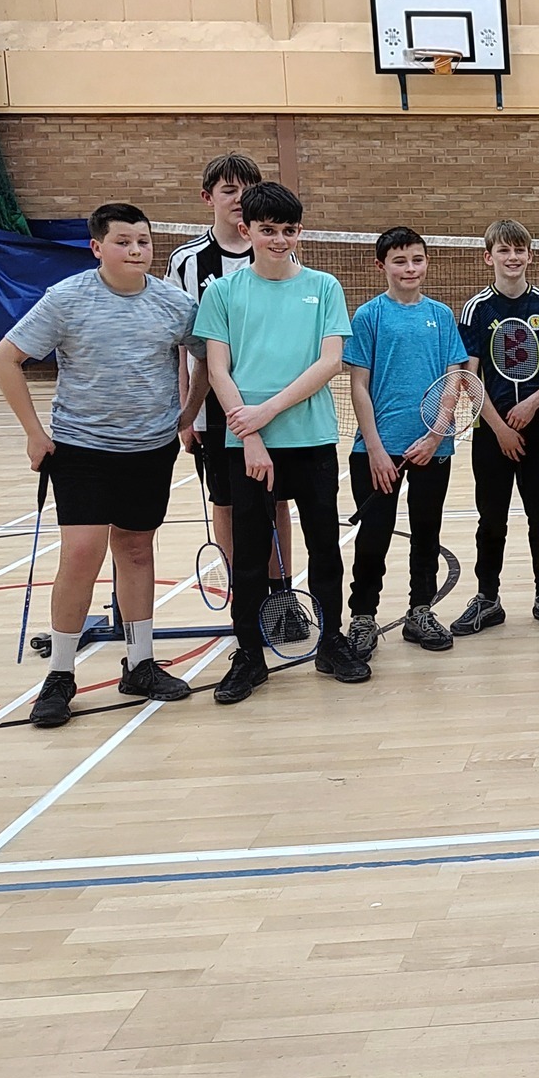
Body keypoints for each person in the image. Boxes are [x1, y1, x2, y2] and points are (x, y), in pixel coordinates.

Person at [0, 203, 203, 729]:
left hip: (150, 449)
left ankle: (140, 661)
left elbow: (208, 358)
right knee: (82, 553)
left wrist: (189, 414)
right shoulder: (66, 299)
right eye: (123, 242)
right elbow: (4, 359)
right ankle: (61, 675)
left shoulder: (175, 304)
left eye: (143, 242)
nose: (136, 251)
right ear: (96, 247)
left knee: (135, 549)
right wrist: (35, 434)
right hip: (82, 449)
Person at [196, 181, 358, 702]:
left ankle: (332, 641)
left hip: (309, 438)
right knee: (248, 554)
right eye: (268, 231)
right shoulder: (222, 293)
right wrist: (251, 435)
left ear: (299, 232)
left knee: (324, 545)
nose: (280, 240)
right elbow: (218, 369)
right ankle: (249, 655)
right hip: (246, 445)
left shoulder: (325, 287)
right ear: (246, 231)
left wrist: (263, 413)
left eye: (289, 231)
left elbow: (330, 361)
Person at [166, 152, 304, 634]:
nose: (239, 199)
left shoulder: (277, 251)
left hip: (270, 407)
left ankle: (282, 596)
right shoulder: (186, 263)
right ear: (209, 198)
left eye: (247, 190)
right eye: (228, 190)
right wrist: (188, 415)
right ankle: (243, 597)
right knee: (225, 505)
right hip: (212, 409)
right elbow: (184, 349)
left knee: (276, 500)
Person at [343, 227, 470, 658]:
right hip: (376, 451)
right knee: (374, 536)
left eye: (417, 259)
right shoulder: (368, 317)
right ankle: (362, 617)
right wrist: (376, 450)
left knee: (426, 533)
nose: (409, 268)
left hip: (433, 448)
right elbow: (358, 386)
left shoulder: (441, 315)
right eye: (400, 261)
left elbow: (454, 379)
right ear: (382, 266)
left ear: (426, 262)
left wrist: (436, 435)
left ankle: (421, 612)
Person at [451, 219, 539, 637]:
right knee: (492, 518)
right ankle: (487, 599)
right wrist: (500, 428)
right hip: (492, 430)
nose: (512, 258)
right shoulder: (476, 309)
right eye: (503, 251)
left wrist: (532, 404)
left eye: (519, 250)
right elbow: (469, 378)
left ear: (529, 255)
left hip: (538, 427)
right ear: (489, 257)